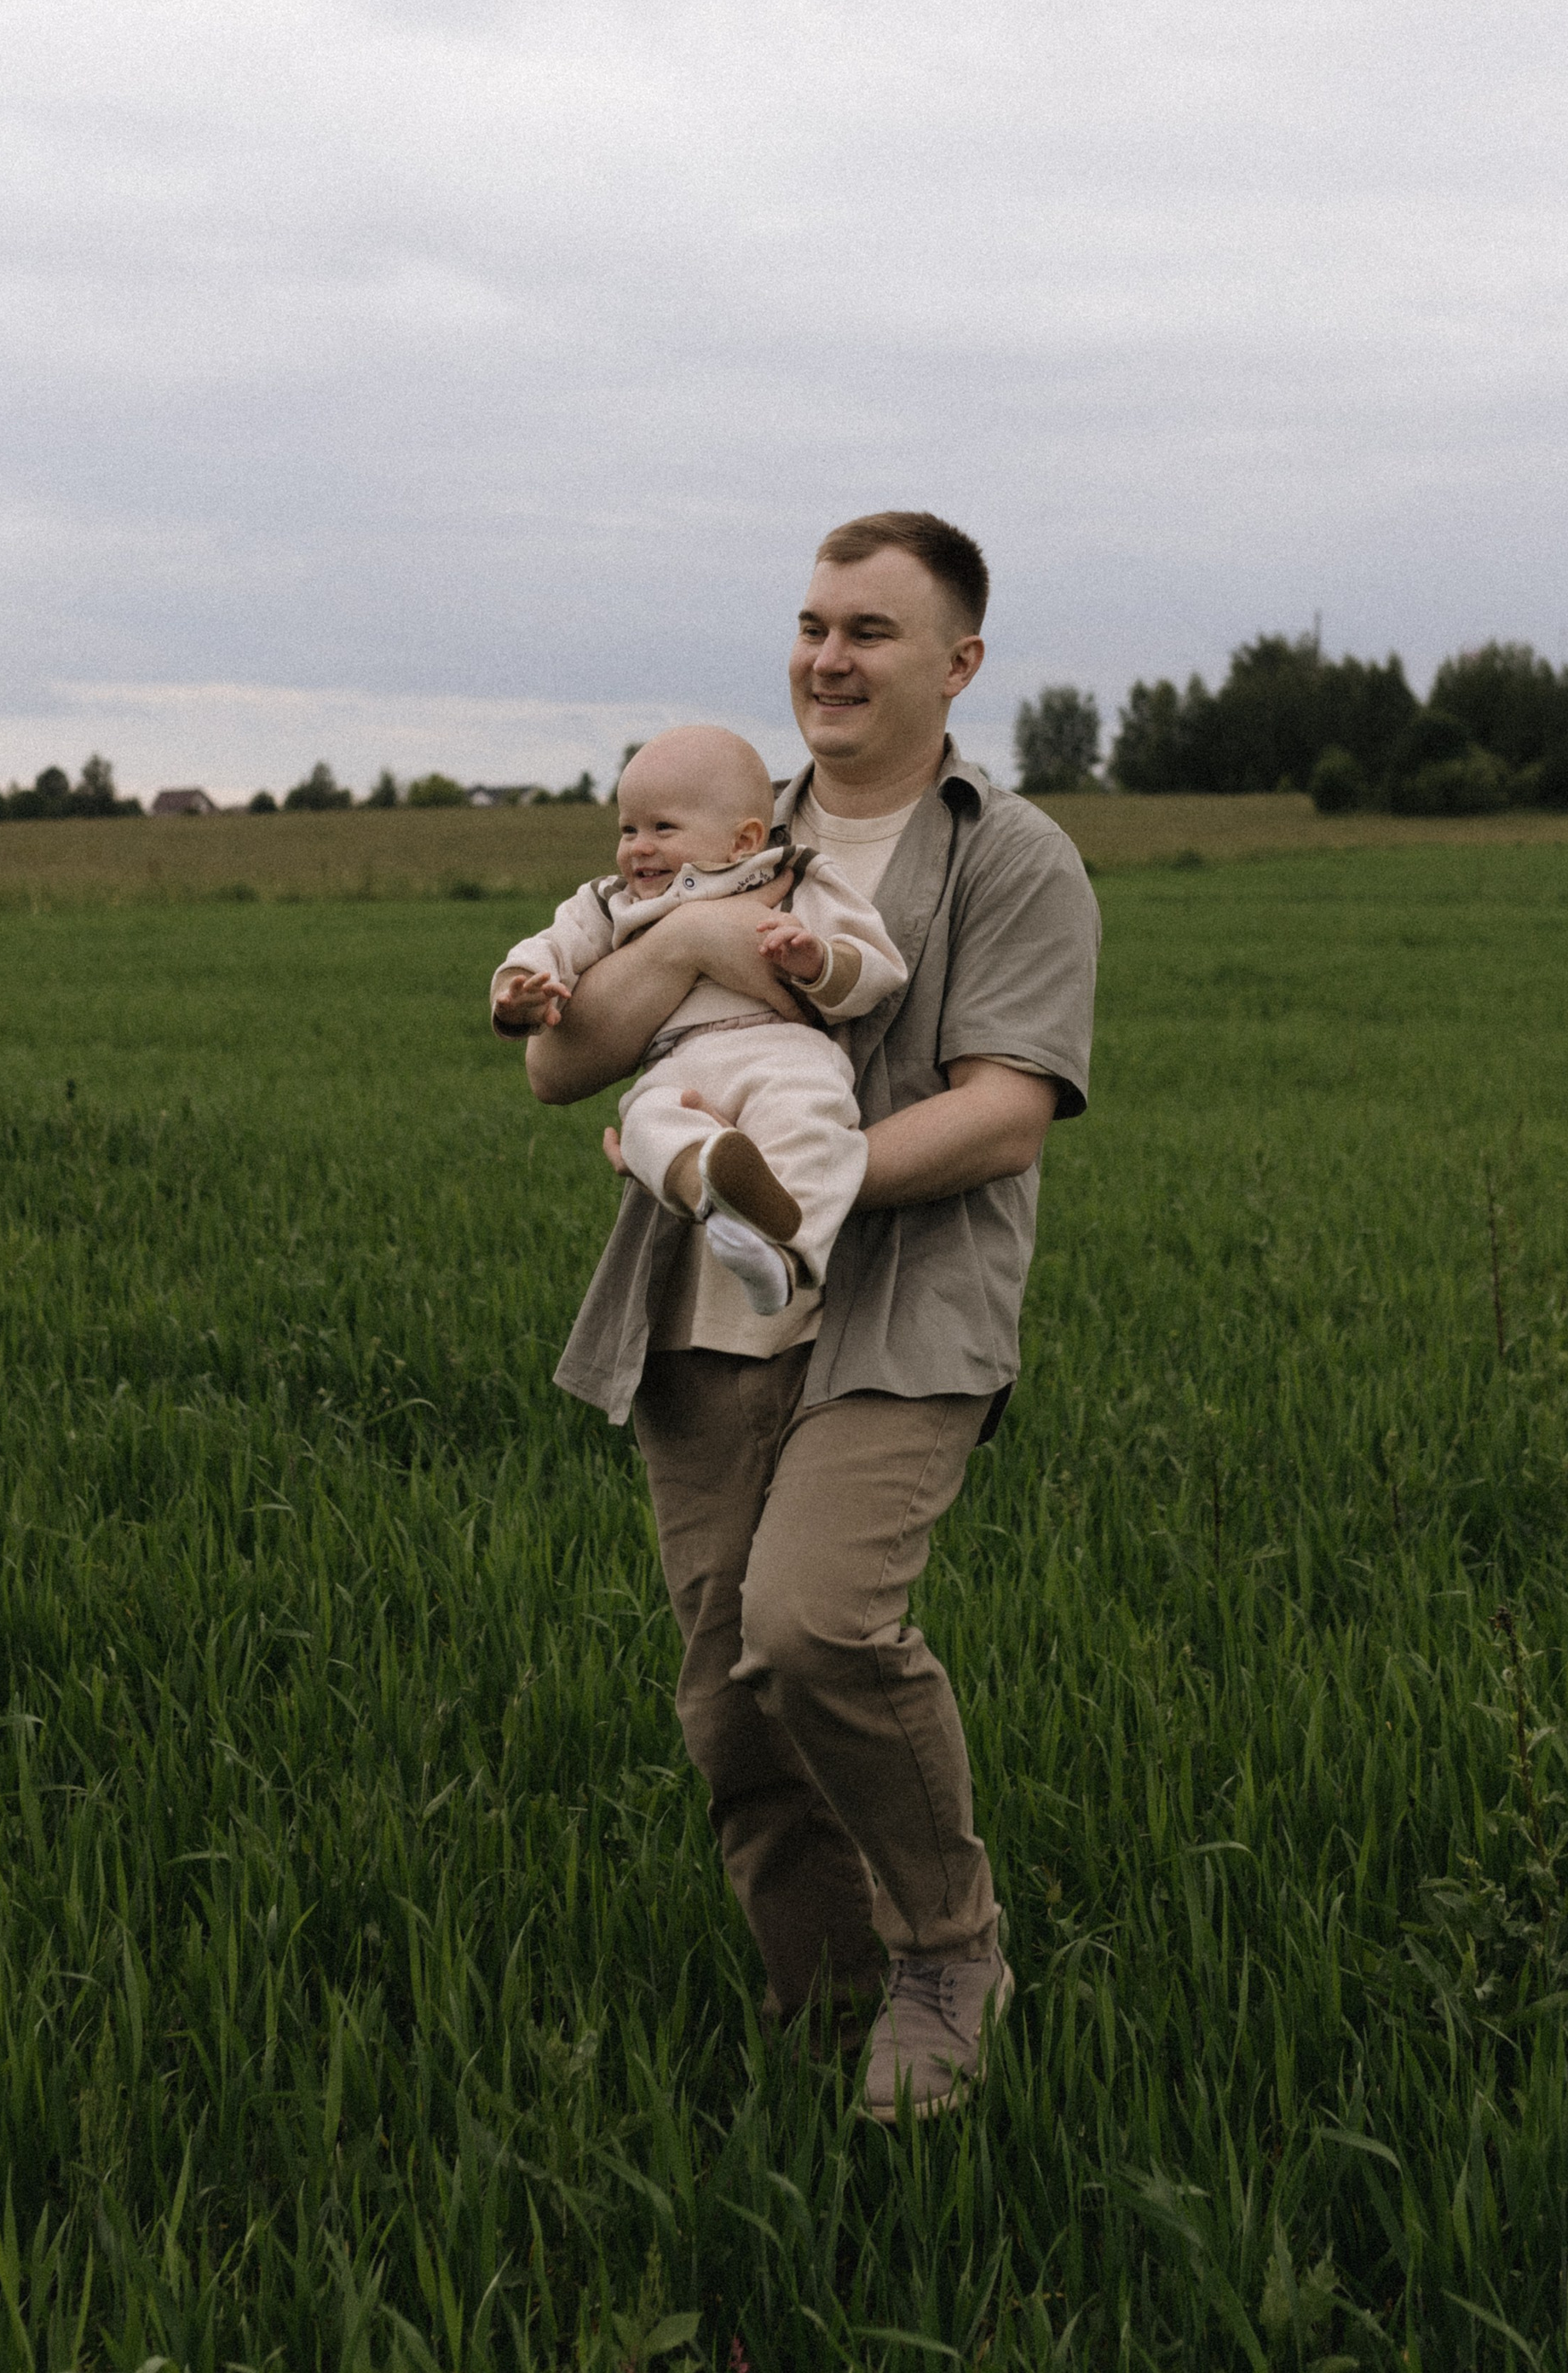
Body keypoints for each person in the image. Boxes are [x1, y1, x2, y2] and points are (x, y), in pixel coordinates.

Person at [525, 511, 1100, 2122]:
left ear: (958, 664)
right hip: (703, 1315)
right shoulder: (711, 829)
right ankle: (823, 1992)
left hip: (904, 1306)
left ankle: (947, 1950)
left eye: (871, 631)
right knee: (728, 1696)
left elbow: (1003, 1113)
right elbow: (560, 1058)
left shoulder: (1012, 856)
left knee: (817, 1621)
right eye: (812, 623)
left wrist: (801, 1197)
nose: (827, 658)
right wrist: (701, 936)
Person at [491, 724, 907, 1314]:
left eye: (663, 828)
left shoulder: (792, 877)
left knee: (813, 1121)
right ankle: (711, 1182)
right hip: (680, 1063)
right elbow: (553, 944)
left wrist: (817, 960)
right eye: (627, 828)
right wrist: (516, 990)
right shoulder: (611, 900)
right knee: (645, 1119)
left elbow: (874, 966)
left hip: (783, 1051)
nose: (638, 846)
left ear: (744, 840)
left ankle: (785, 1257)